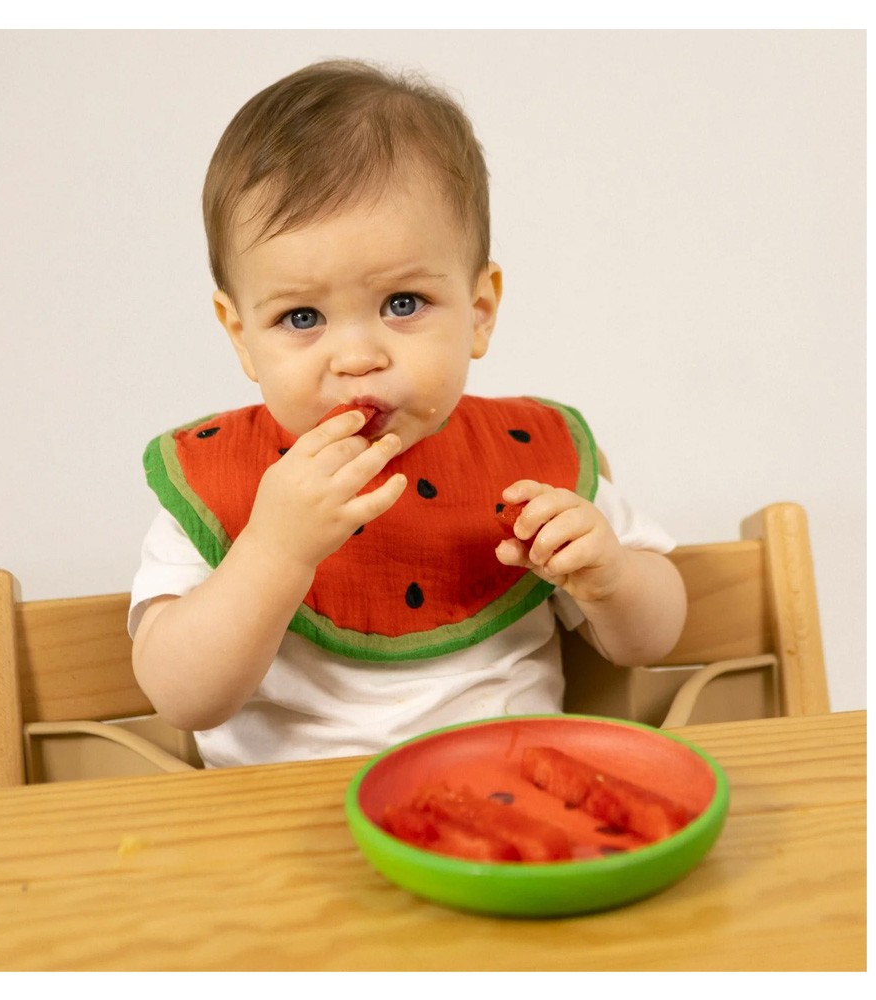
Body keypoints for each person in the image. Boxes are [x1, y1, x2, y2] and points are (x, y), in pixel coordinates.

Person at [129, 59, 687, 768]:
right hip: (279, 834)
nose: (357, 356)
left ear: (479, 313)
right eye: (302, 316)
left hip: (505, 809)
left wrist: (613, 578)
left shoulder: (532, 461)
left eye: (402, 304)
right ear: (241, 336)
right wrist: (273, 552)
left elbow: (652, 639)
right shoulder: (214, 481)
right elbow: (183, 697)